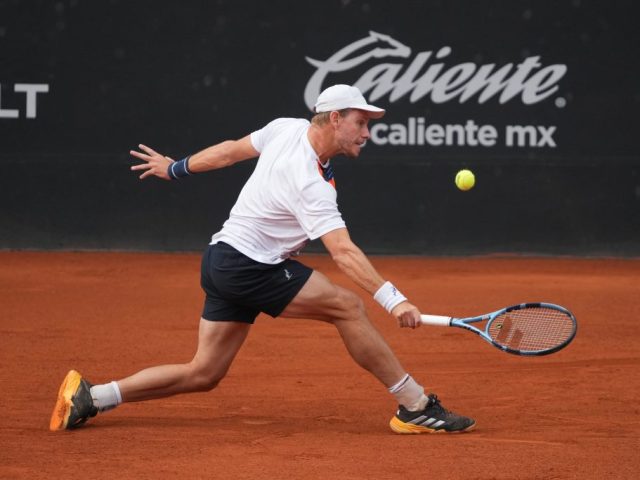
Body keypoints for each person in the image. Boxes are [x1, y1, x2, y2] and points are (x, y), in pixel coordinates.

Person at [49, 85, 474, 434]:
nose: (367, 133)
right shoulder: (309, 183)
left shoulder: (286, 128)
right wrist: (394, 300)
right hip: (251, 266)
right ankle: (415, 405)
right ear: (334, 119)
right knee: (348, 307)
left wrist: (176, 168)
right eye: (360, 123)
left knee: (204, 373)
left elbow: (231, 151)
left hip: (222, 259)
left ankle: (92, 396)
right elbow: (343, 251)